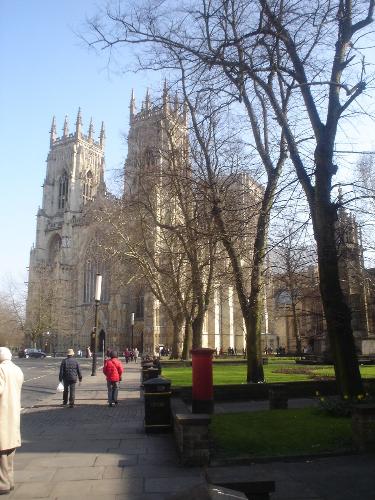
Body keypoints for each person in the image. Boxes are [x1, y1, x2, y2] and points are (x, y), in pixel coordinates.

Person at [0, 347, 24, 495]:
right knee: (10, 449)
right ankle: (10, 480)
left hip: (2, 413)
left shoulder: (1, 370)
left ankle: (3, 484)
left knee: (1, 449)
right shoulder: (17, 370)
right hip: (14, 413)